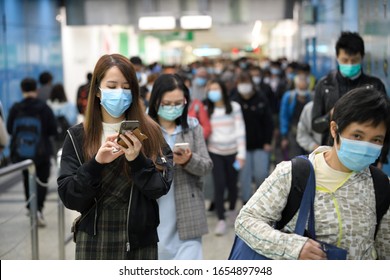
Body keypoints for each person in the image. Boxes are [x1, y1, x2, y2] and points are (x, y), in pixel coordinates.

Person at [235, 86, 390, 260]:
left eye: (376, 139)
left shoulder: (380, 184)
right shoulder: (293, 174)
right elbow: (246, 221)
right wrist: (292, 247)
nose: (365, 146)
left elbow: (384, 247)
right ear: (334, 129)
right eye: (357, 136)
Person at [57, 54, 173, 260]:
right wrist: (96, 164)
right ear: (98, 92)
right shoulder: (77, 136)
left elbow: (159, 188)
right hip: (93, 240)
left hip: (140, 241)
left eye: (126, 86)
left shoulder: (152, 133)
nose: (119, 92)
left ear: (134, 91)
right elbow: (70, 197)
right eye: (111, 86)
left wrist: (137, 160)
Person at [147, 73, 213, 260]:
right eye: (167, 104)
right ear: (155, 101)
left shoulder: (192, 127)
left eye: (178, 103)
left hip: (188, 212)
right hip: (155, 212)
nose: (172, 108)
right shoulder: (145, 129)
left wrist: (189, 160)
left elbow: (207, 166)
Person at [312, 31, 387, 147]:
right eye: (345, 60)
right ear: (337, 57)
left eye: (354, 60)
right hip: (332, 151)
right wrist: (330, 115)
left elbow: (385, 125)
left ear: (362, 57)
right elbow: (315, 125)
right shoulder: (324, 85)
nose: (350, 64)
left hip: (366, 152)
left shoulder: (374, 86)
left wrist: (381, 158)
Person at [7, 77, 57, 227]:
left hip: (23, 153)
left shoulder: (16, 108)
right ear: (36, 89)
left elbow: (10, 129)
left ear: (22, 89)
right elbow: (52, 130)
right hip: (42, 152)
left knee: (27, 179)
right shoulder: (44, 107)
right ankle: (39, 209)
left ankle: (31, 208)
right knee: (42, 180)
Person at [204, 78, 246, 236]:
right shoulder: (207, 109)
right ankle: (221, 218)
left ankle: (232, 211)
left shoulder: (234, 107)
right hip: (215, 152)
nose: (213, 93)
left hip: (233, 152)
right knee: (219, 185)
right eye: (211, 90)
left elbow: (240, 130)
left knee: (233, 184)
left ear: (223, 91)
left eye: (216, 89)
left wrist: (241, 154)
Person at [230, 71, 274, 205]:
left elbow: (269, 122)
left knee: (261, 173)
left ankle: (261, 201)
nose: (244, 86)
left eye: (246, 83)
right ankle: (246, 202)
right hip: (241, 148)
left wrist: (268, 141)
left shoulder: (261, 98)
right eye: (241, 83)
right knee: (244, 176)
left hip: (260, 144)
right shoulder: (234, 100)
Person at [279, 73, 312, 160]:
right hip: (293, 133)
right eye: (300, 88)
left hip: (308, 134)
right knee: (295, 159)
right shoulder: (288, 97)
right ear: (296, 86)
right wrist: (284, 136)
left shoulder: (312, 97)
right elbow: (284, 117)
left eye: (305, 88)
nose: (302, 90)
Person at [47, 83, 79, 156]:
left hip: (53, 137)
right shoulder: (70, 105)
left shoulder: (48, 105)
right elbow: (73, 120)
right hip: (66, 135)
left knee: (55, 154)